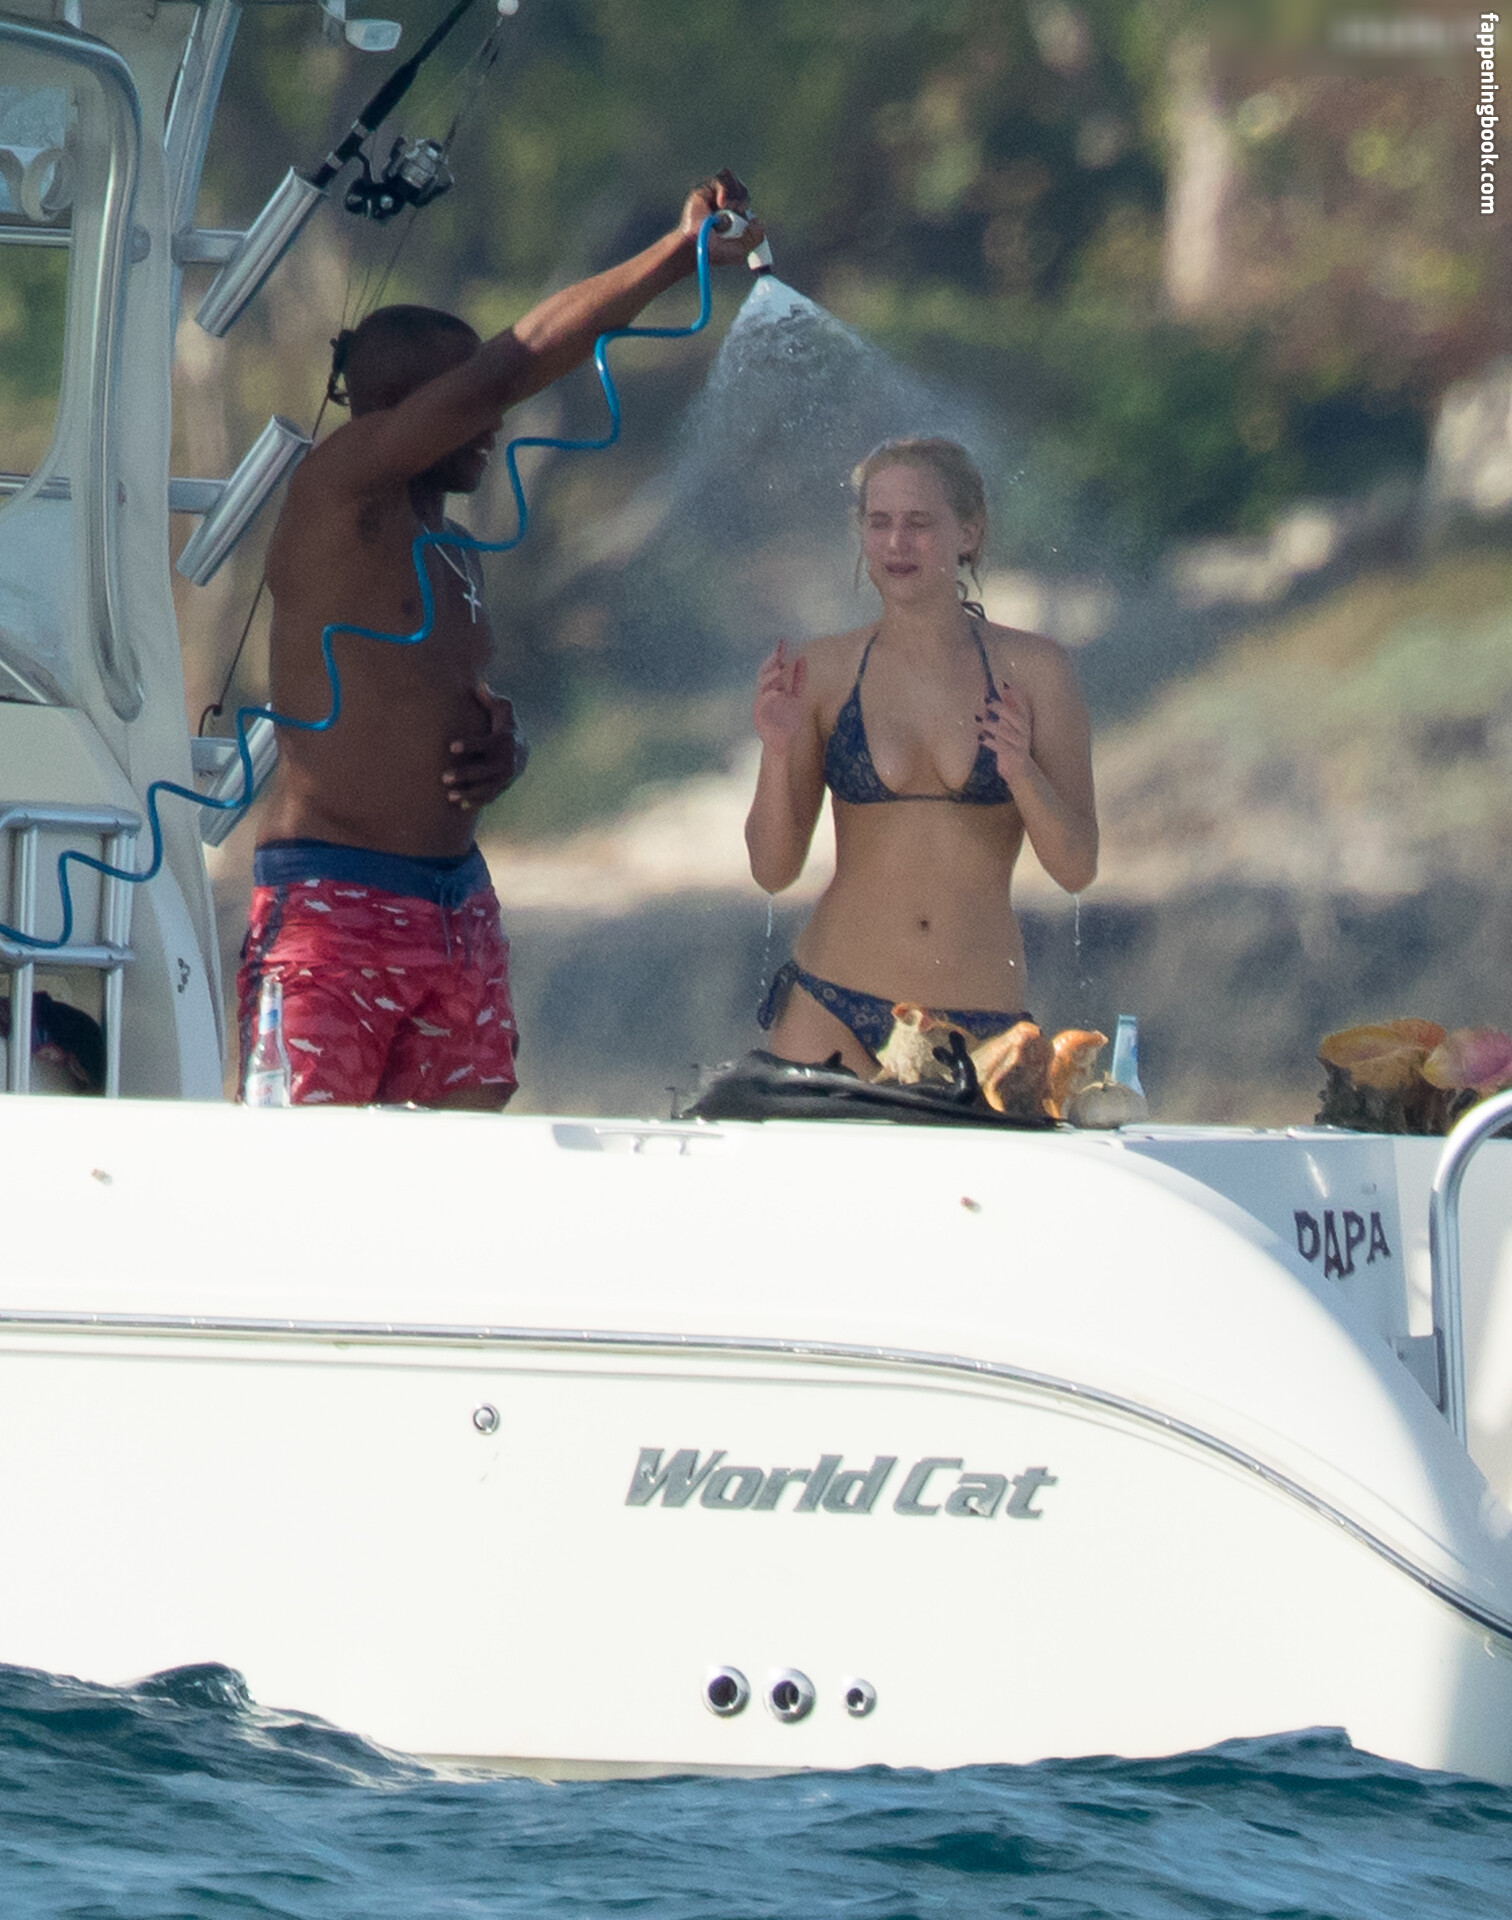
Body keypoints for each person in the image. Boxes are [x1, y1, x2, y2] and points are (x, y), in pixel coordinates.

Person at [237, 173, 762, 1109]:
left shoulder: (450, 545)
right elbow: (511, 365)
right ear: (408, 410)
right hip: (334, 903)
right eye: (467, 401)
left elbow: (420, 702)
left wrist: (500, 750)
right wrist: (673, 256)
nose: (497, 420)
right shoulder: (340, 490)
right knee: (307, 1171)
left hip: (456, 905)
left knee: (469, 1166)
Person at [745, 437, 1098, 1079]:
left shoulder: (1038, 671)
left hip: (980, 1027)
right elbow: (773, 871)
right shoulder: (822, 671)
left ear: (969, 533)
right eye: (878, 522)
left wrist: (1020, 772)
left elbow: (1076, 868)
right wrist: (776, 752)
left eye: (919, 523)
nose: (896, 543)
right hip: (830, 1005)